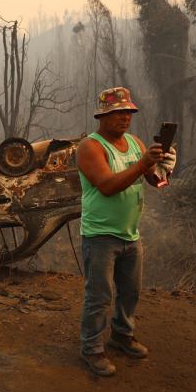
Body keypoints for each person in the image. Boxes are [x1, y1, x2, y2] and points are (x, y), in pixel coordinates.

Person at [76, 86, 176, 376]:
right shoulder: (90, 147)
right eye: (118, 112)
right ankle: (92, 349)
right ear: (102, 116)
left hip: (130, 233)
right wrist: (143, 163)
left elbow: (151, 181)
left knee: (130, 292)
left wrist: (162, 168)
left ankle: (121, 336)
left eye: (128, 112)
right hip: (100, 236)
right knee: (99, 296)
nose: (125, 117)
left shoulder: (134, 142)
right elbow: (107, 186)